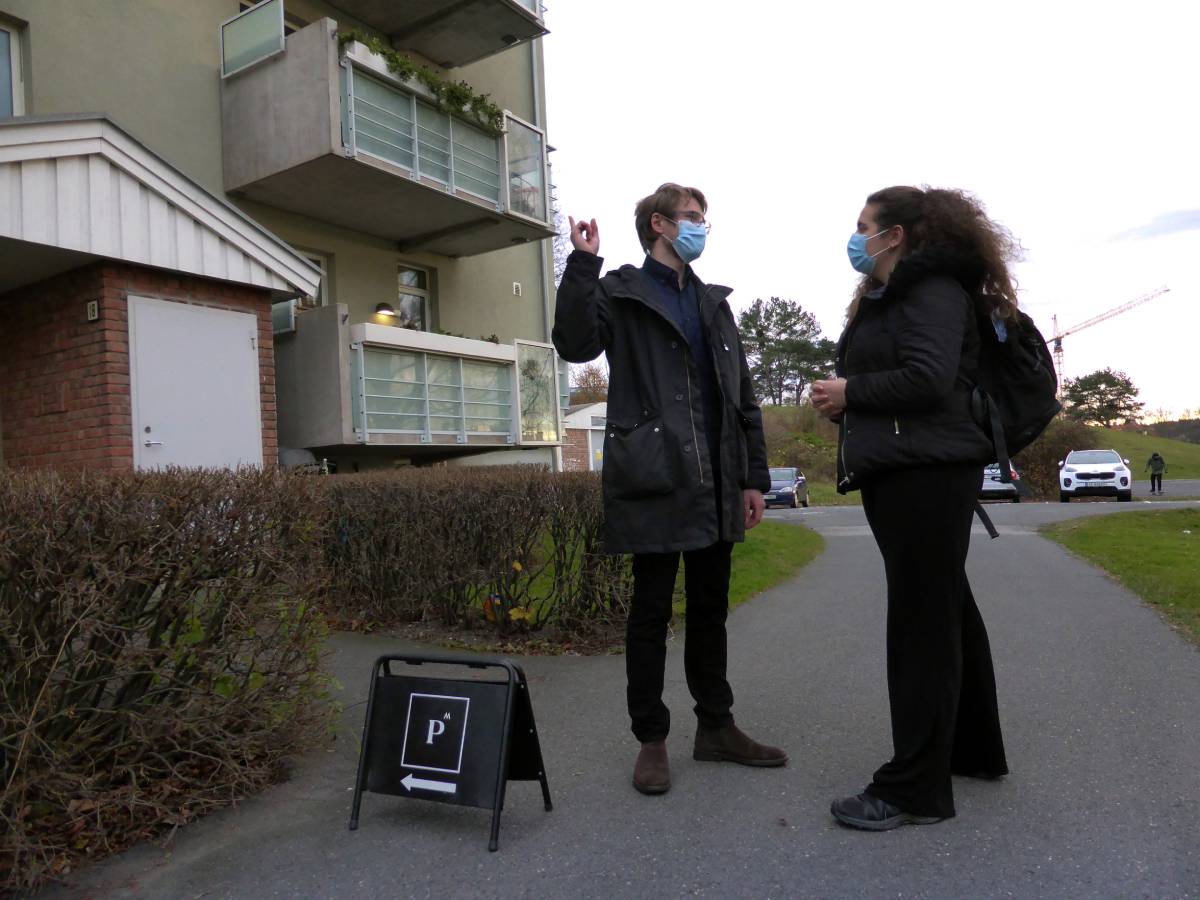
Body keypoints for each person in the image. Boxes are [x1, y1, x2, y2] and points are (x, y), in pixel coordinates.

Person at [552, 183, 787, 795]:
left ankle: (716, 727)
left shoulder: (713, 303)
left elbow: (742, 396)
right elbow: (574, 343)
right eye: (691, 217)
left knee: (710, 611)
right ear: (658, 224)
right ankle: (651, 739)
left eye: (703, 218)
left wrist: (753, 479)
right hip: (655, 475)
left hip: (716, 480)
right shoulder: (621, 292)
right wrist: (582, 263)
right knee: (650, 613)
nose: (701, 226)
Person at [811, 186, 1012, 830]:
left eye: (863, 226)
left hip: (923, 474)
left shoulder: (930, 291)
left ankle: (914, 788)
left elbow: (928, 377)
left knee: (920, 626)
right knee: (947, 609)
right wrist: (851, 397)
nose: (856, 237)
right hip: (915, 467)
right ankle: (973, 750)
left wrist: (851, 392)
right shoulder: (899, 293)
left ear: (893, 235)